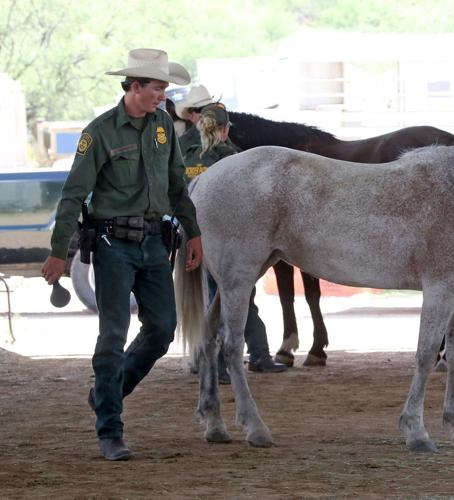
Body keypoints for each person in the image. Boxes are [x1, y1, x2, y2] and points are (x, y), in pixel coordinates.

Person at [41, 48, 203, 461]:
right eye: (157, 88)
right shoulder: (100, 132)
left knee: (163, 329)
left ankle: (105, 393)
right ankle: (110, 430)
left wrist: (194, 233)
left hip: (155, 243)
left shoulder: (163, 126)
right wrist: (58, 253)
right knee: (112, 336)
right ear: (134, 87)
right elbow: (73, 194)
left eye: (165, 88)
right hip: (113, 246)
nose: (163, 96)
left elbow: (177, 185)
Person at [183, 102, 287, 382]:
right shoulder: (233, 158)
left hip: (192, 234)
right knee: (232, 297)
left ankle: (211, 358)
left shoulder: (184, 152)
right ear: (225, 129)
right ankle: (227, 360)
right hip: (228, 238)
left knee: (213, 297)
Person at [175, 84, 213, 155]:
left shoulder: (227, 130)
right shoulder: (182, 144)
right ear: (191, 116)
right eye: (200, 109)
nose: (207, 112)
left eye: (210, 107)